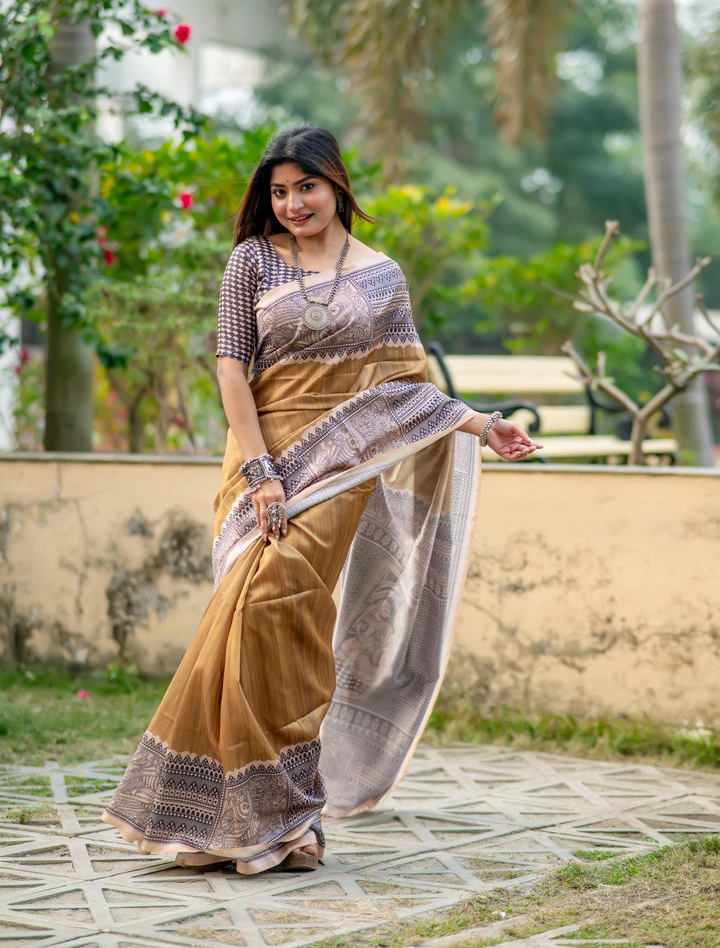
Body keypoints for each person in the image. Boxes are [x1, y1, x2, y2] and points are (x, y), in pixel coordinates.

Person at [102, 126, 539, 875]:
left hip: (342, 470)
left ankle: (278, 813)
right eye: (278, 191)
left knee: (283, 609)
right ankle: (248, 819)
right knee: (248, 617)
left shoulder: (383, 275)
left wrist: (479, 423)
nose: (292, 202)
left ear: (337, 185)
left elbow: (404, 387)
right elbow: (232, 370)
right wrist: (261, 471)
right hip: (260, 465)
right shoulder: (250, 261)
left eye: (306, 186)